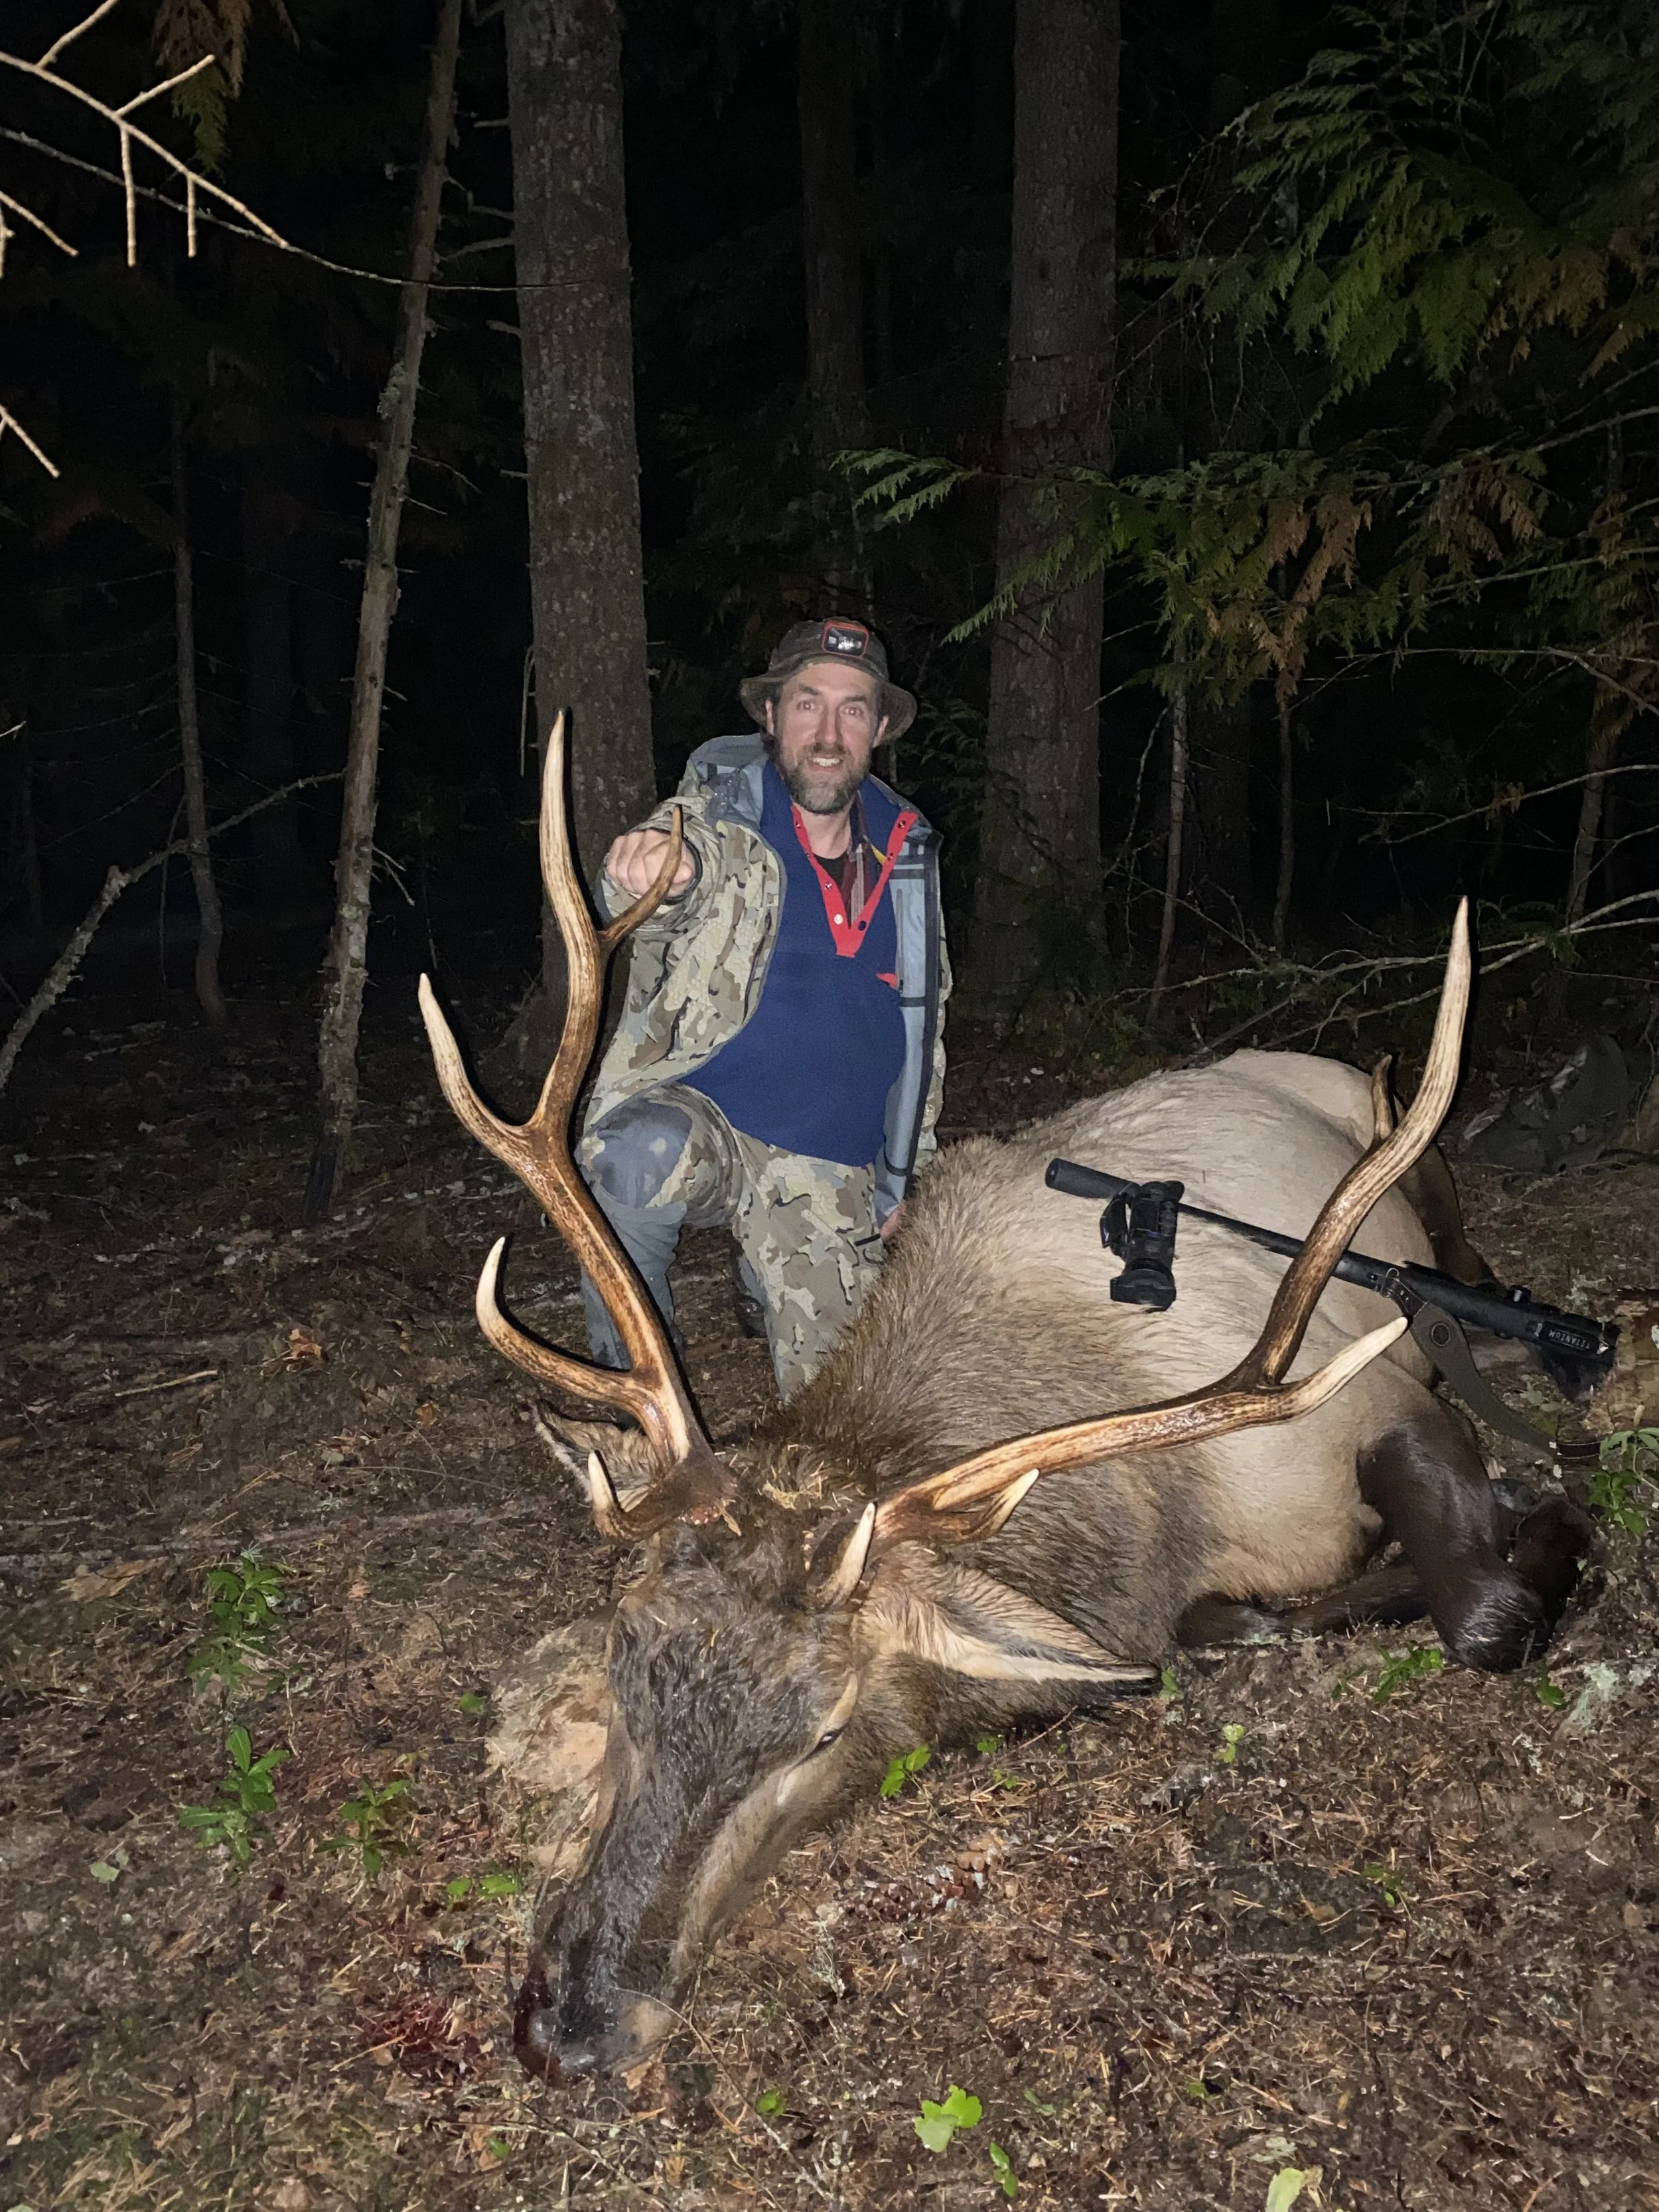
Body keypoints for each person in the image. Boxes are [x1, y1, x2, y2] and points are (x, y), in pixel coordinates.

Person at [579, 617, 950, 1398]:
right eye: (806, 703)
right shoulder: (721, 820)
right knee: (626, 1155)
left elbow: (925, 1026)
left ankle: (764, 1268)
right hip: (705, 1127)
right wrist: (653, 870)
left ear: (879, 728)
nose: (826, 732)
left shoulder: (910, 852)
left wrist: (905, 1173)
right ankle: (632, 1388)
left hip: (829, 1170)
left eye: (852, 709)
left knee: (841, 1423)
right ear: (770, 715)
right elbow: (664, 870)